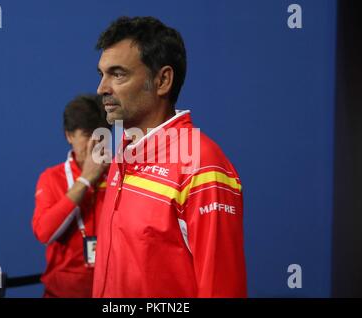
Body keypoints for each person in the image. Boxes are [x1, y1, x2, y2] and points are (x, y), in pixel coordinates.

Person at [92, 16, 247, 297]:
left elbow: (221, 288)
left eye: (118, 74)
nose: (102, 88)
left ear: (162, 80)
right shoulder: (123, 154)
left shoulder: (201, 165)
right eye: (101, 74)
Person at [32, 94, 111, 297]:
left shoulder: (120, 176)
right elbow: (44, 233)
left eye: (101, 134)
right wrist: (85, 180)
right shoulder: (52, 178)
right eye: (87, 134)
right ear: (69, 136)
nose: (96, 143)